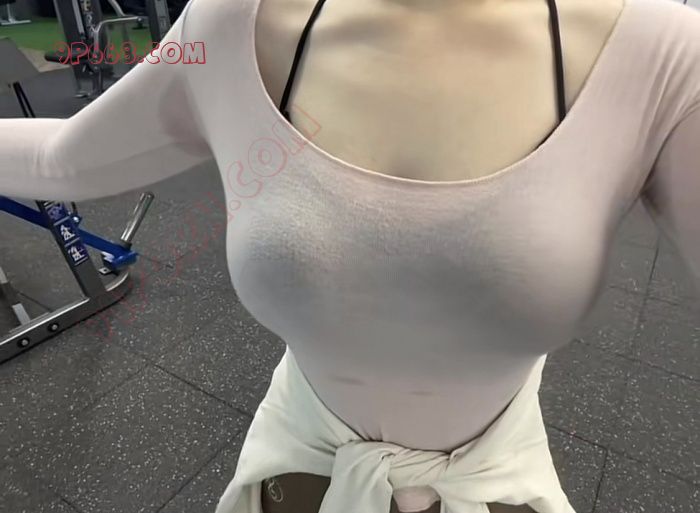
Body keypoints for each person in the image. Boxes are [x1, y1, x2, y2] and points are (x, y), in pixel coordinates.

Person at [1, 0, 698, 512]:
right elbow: (63, 159)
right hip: (300, 480)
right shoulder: (227, 26)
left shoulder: (658, 53)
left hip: (498, 486)